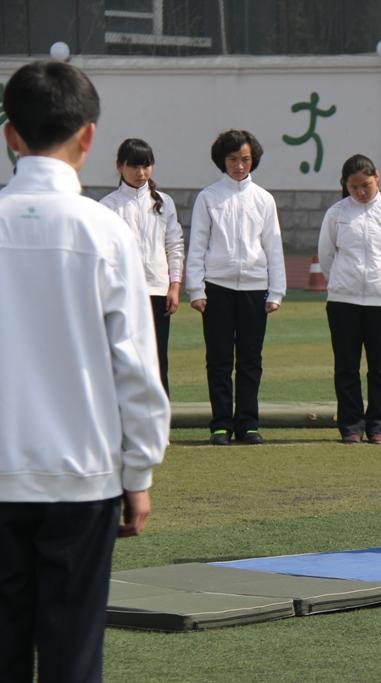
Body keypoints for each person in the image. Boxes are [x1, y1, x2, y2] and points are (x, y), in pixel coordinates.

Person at [0, 60, 170, 682]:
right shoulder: (105, 232)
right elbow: (134, 364)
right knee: (73, 659)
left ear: (11, 135)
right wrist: (140, 469)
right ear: (89, 136)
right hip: (82, 477)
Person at [186, 129, 286, 446]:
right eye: (233, 159)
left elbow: (273, 247)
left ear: (253, 158)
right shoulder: (208, 197)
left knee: (250, 359)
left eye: (245, 159)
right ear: (222, 161)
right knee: (218, 358)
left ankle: (247, 423)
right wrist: (196, 289)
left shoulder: (264, 199)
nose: (239, 166)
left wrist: (277, 291)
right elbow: (197, 244)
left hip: (255, 288)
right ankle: (220, 424)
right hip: (217, 287)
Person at [317, 154, 381, 445]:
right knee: (346, 366)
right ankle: (350, 426)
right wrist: (339, 282)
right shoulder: (336, 213)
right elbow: (326, 255)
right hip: (343, 300)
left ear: (377, 178)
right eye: (354, 187)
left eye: (366, 185)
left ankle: (378, 426)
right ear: (345, 185)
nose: (360, 192)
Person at [100, 138, 184, 395]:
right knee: (124, 358)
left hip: (158, 291)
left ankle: (159, 428)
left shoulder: (164, 202)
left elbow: (174, 246)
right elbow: (105, 256)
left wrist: (175, 286)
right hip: (124, 293)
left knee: (158, 359)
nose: (141, 173)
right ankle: (121, 423)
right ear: (119, 167)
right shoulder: (108, 206)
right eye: (134, 166)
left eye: (146, 166)